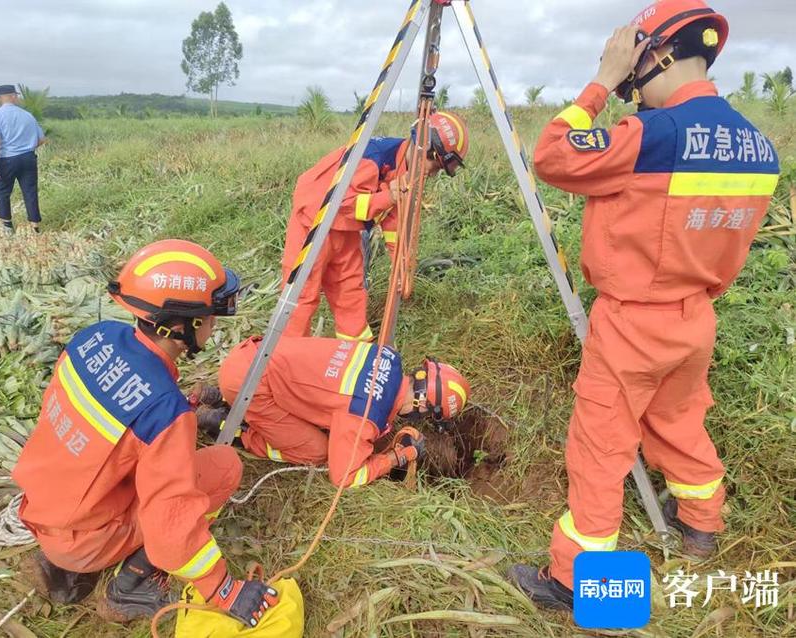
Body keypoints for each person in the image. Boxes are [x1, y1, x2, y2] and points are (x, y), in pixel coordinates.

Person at [506, 0, 779, 611]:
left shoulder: (651, 137)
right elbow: (731, 253)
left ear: (653, 54)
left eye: (635, 78)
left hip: (632, 320)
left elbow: (552, 155)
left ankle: (583, 585)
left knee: (601, 444)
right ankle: (702, 524)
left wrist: (602, 81)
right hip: (696, 318)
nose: (635, 93)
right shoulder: (759, 149)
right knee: (680, 421)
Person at [13, 240, 279, 627]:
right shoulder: (162, 411)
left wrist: (181, 412)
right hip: (83, 539)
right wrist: (224, 589)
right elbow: (171, 521)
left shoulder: (95, 338)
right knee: (222, 467)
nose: (213, 324)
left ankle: (63, 562)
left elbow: (108, 429)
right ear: (179, 326)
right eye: (209, 317)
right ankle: (133, 584)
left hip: (42, 507)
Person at [282, 111, 469, 341]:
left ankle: (355, 358)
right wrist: (387, 198)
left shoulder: (405, 172)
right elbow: (339, 206)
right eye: (436, 164)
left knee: (350, 294)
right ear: (423, 146)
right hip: (312, 225)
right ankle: (289, 359)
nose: (433, 173)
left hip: (347, 232)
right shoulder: (371, 157)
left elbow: (394, 222)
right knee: (301, 298)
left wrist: (401, 265)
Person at [204, 335, 470, 487]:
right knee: (318, 451)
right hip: (249, 385)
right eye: (427, 415)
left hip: (252, 354)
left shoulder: (388, 356)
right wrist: (396, 458)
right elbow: (345, 476)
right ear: (422, 404)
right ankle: (232, 427)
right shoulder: (367, 414)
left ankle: (219, 398)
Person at [0, 85, 47, 234]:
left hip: (6, 159)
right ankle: (35, 226)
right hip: (28, 158)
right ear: (13, 96)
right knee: (30, 191)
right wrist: (26, 147)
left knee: (3, 191)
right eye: (17, 95)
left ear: (0, 97)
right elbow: (41, 139)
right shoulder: (28, 115)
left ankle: (7, 226)